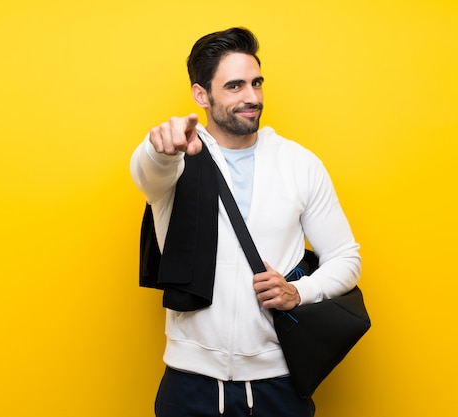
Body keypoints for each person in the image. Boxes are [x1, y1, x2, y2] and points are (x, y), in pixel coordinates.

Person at [130, 27, 361, 417]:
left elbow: (346, 258)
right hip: (189, 385)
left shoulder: (299, 163)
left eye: (256, 83)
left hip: (279, 387)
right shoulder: (176, 156)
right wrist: (160, 149)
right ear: (202, 95)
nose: (252, 97)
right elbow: (148, 171)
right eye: (235, 86)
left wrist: (298, 292)